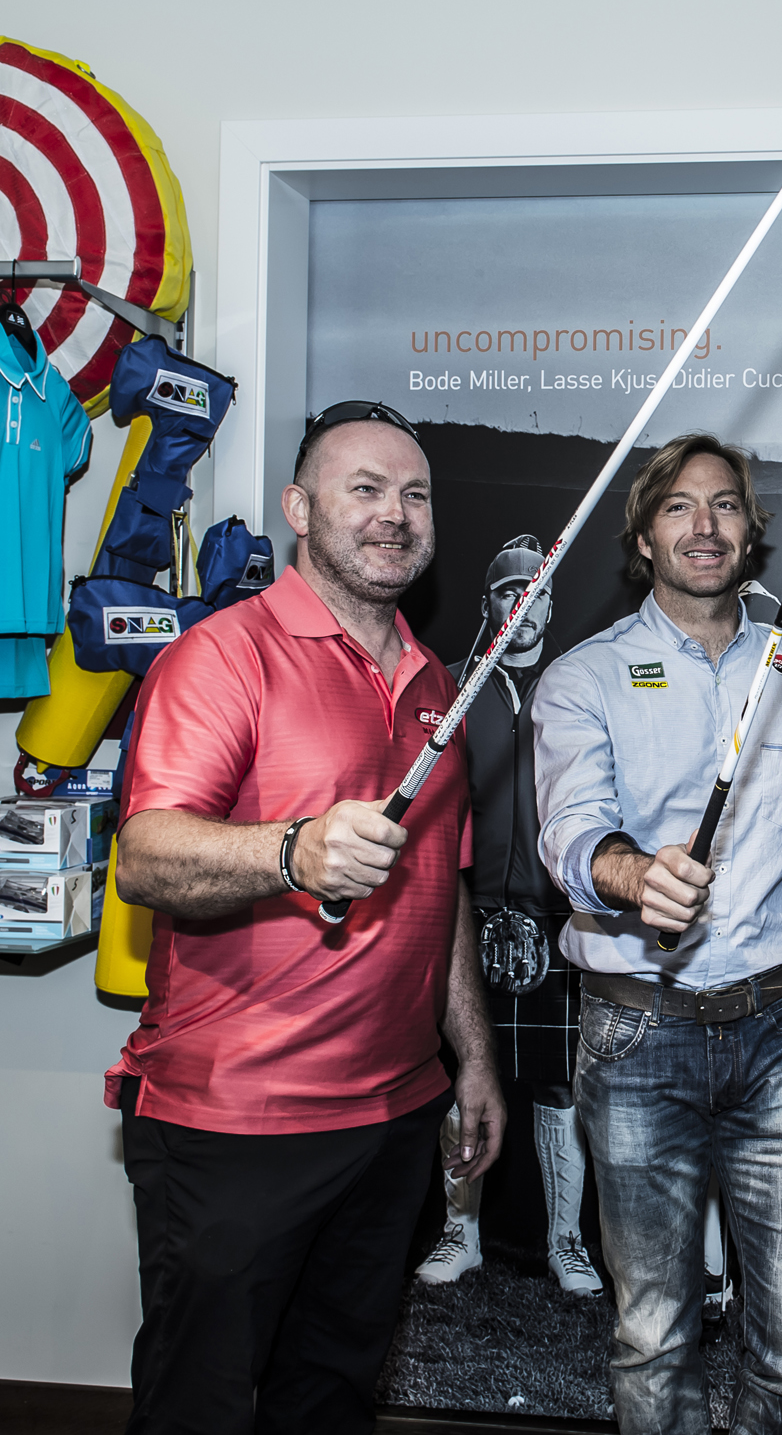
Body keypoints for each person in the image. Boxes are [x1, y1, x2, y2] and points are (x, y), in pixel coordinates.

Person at [107, 400, 506, 1435]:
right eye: (363, 489)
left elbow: (442, 887)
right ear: (298, 509)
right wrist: (293, 852)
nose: (394, 514)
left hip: (393, 1118)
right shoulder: (222, 656)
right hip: (237, 1121)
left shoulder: (437, 684)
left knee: (329, 1399)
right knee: (199, 1410)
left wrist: (470, 1057)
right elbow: (145, 858)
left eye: (414, 494)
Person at [532, 432, 782, 1435]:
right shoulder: (586, 677)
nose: (704, 525)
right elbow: (571, 834)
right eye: (678, 507)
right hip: (640, 1035)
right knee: (653, 1338)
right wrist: (636, 876)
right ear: (643, 537)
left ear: (750, 533)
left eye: (725, 504)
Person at [415, 535, 604, 1297]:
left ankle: (567, 1242)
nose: (523, 605)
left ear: (551, 605)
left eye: (537, 591)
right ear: (487, 604)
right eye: (507, 592)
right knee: (464, 1072)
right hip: (471, 913)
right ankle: (459, 1235)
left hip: (559, 915)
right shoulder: (451, 691)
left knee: (559, 1084)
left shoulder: (581, 687)